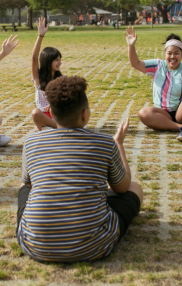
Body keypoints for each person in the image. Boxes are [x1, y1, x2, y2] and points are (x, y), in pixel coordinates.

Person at [17, 76, 143, 262]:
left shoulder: (31, 142)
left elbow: (28, 184)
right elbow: (122, 188)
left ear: (50, 112)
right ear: (85, 114)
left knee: (23, 185)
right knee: (135, 188)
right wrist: (119, 144)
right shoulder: (105, 143)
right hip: (94, 245)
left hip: (35, 245)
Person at [124, 27, 182, 142]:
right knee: (143, 113)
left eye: (176, 53)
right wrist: (131, 46)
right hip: (162, 114)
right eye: (169, 53)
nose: (172, 56)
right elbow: (135, 63)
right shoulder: (158, 65)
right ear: (165, 54)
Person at [30, 17, 63, 131]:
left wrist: (54, 105)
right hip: (44, 117)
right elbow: (34, 58)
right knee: (35, 113)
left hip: (58, 115)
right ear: (48, 61)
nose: (60, 63)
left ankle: (58, 128)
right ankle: (61, 129)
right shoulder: (38, 77)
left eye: (59, 59)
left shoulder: (61, 79)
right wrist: (40, 36)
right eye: (56, 60)